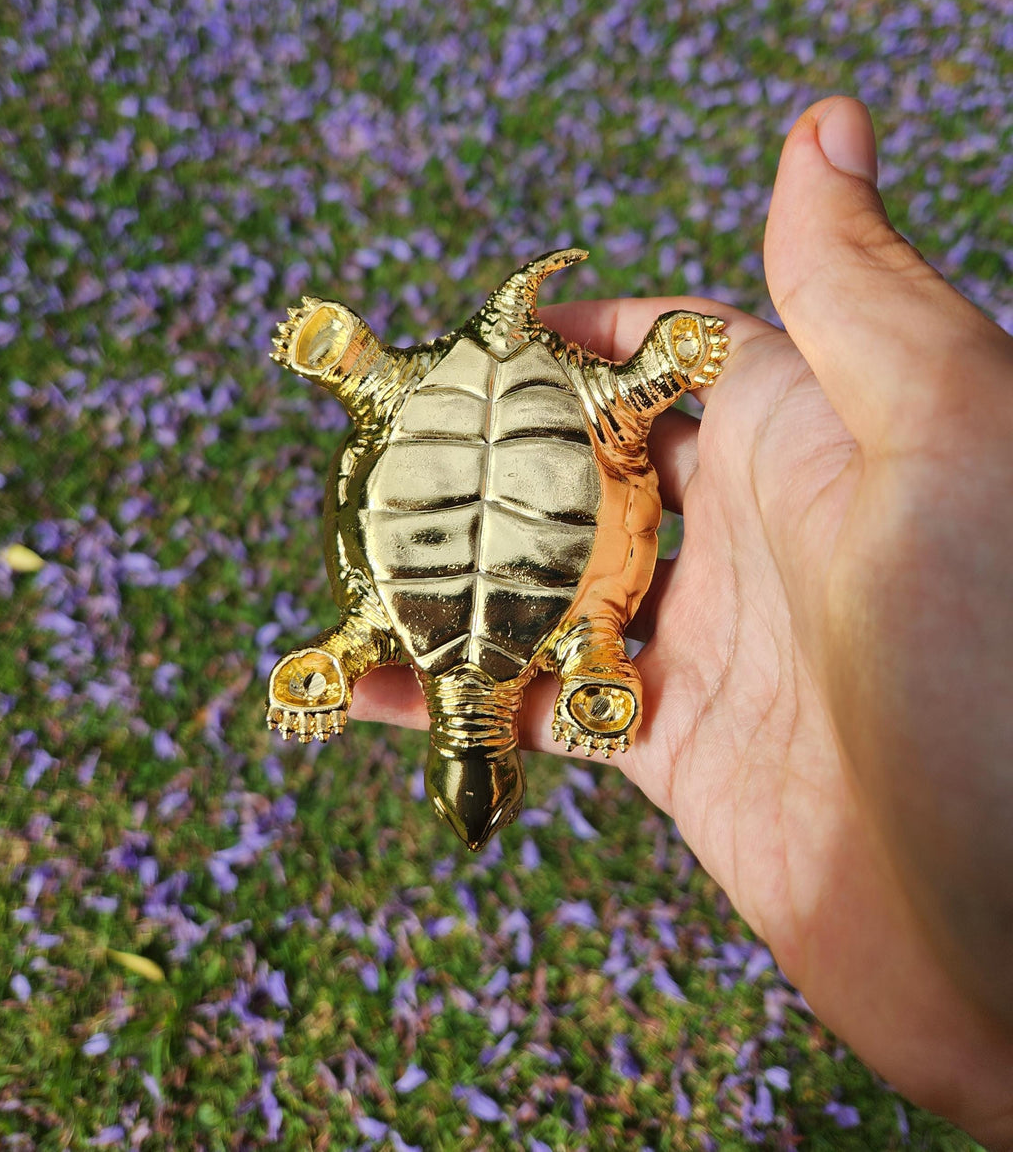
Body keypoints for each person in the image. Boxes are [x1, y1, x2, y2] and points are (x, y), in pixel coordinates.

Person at [350, 97, 1013, 1149]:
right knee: (615, 430)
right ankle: (609, 382)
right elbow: (597, 590)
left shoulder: (395, 627)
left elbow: (371, 551)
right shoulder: (574, 643)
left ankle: (412, 372)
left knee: (592, 421)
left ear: (459, 761)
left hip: (443, 425)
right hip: (563, 443)